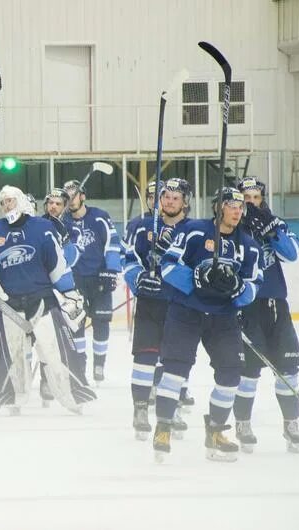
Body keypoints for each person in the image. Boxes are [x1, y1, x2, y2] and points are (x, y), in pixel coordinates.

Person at [152, 187, 263, 462]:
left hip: (223, 317)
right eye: (231, 205)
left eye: (241, 206)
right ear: (218, 207)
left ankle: (215, 431)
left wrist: (237, 289)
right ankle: (163, 427)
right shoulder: (193, 231)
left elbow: (253, 285)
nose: (238, 210)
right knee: (175, 371)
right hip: (186, 312)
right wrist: (197, 280)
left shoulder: (248, 246)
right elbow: (166, 265)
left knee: (231, 373)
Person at [0, 185, 91, 415]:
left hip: (42, 300)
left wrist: (70, 292)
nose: (7, 205)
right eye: (3, 202)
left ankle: (72, 397)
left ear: (21, 201)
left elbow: (56, 265)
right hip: (8, 305)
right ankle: (12, 399)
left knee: (56, 351)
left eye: (11, 200)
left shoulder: (42, 228)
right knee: (12, 356)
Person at [233, 176, 299, 453]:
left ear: (262, 199)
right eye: (245, 197)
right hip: (246, 306)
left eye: (255, 197)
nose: (250, 202)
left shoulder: (275, 224)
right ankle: (243, 422)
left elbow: (292, 255)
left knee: (288, 368)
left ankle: (291, 423)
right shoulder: (229, 228)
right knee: (249, 370)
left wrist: (271, 232)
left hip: (276, 305)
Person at [123, 178, 192, 441]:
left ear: (185, 201)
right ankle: (140, 410)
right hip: (151, 302)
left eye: (176, 197)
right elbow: (129, 260)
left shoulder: (194, 230)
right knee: (145, 358)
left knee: (174, 361)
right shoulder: (143, 227)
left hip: (181, 305)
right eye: (166, 197)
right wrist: (138, 278)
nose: (170, 201)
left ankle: (170, 410)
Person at [62, 179, 122, 384]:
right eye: (66, 196)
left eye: (74, 195)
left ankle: (99, 364)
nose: (70, 200)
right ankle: (80, 365)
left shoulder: (100, 217)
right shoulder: (63, 222)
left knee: (101, 322)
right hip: (74, 281)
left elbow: (113, 244)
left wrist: (111, 270)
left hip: (99, 278)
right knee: (75, 324)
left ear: (83, 196)